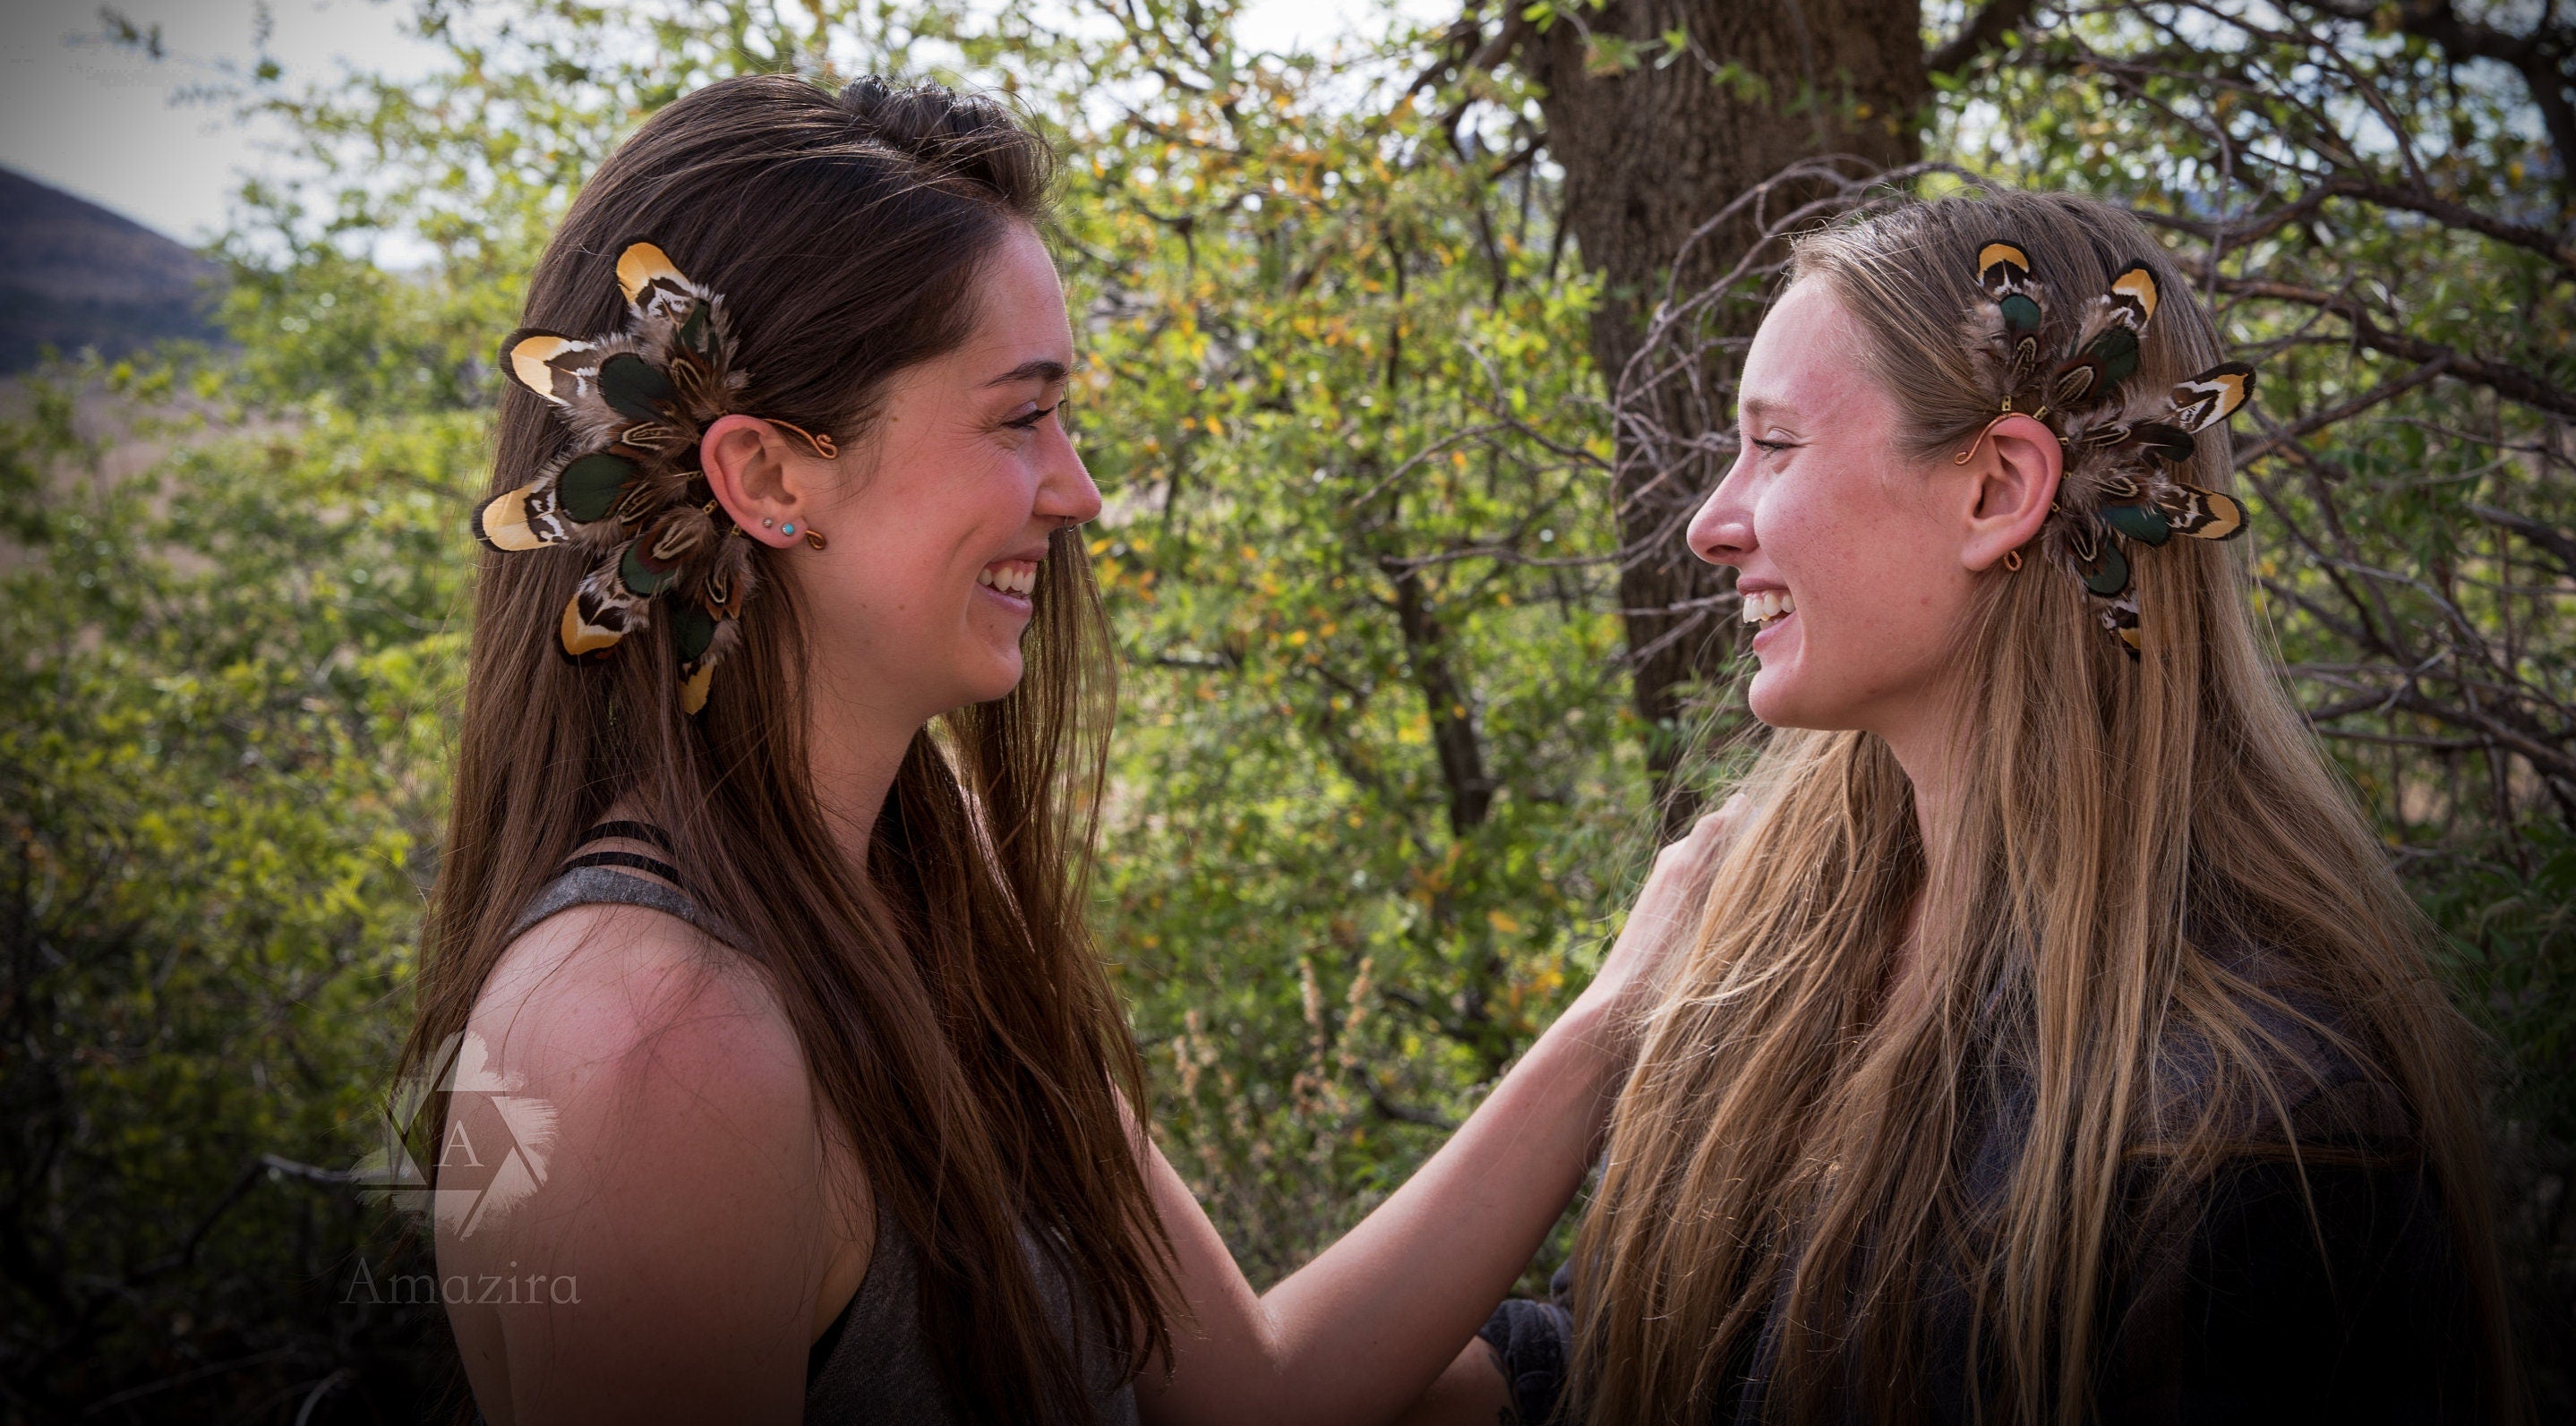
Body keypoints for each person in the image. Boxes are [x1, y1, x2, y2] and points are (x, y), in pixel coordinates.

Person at [407, 72, 1735, 1426]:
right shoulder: (655, 1048)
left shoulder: (924, 879)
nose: (1079, 490)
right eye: (1019, 416)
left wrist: (1630, 1000)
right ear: (767, 480)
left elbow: (1252, 1395)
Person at [1415, 193, 2514, 1424]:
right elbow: (1666, 1364)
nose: (1710, 524)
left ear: (1996, 488)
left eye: (1773, 447)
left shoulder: (2250, 1135)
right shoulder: (1773, 952)